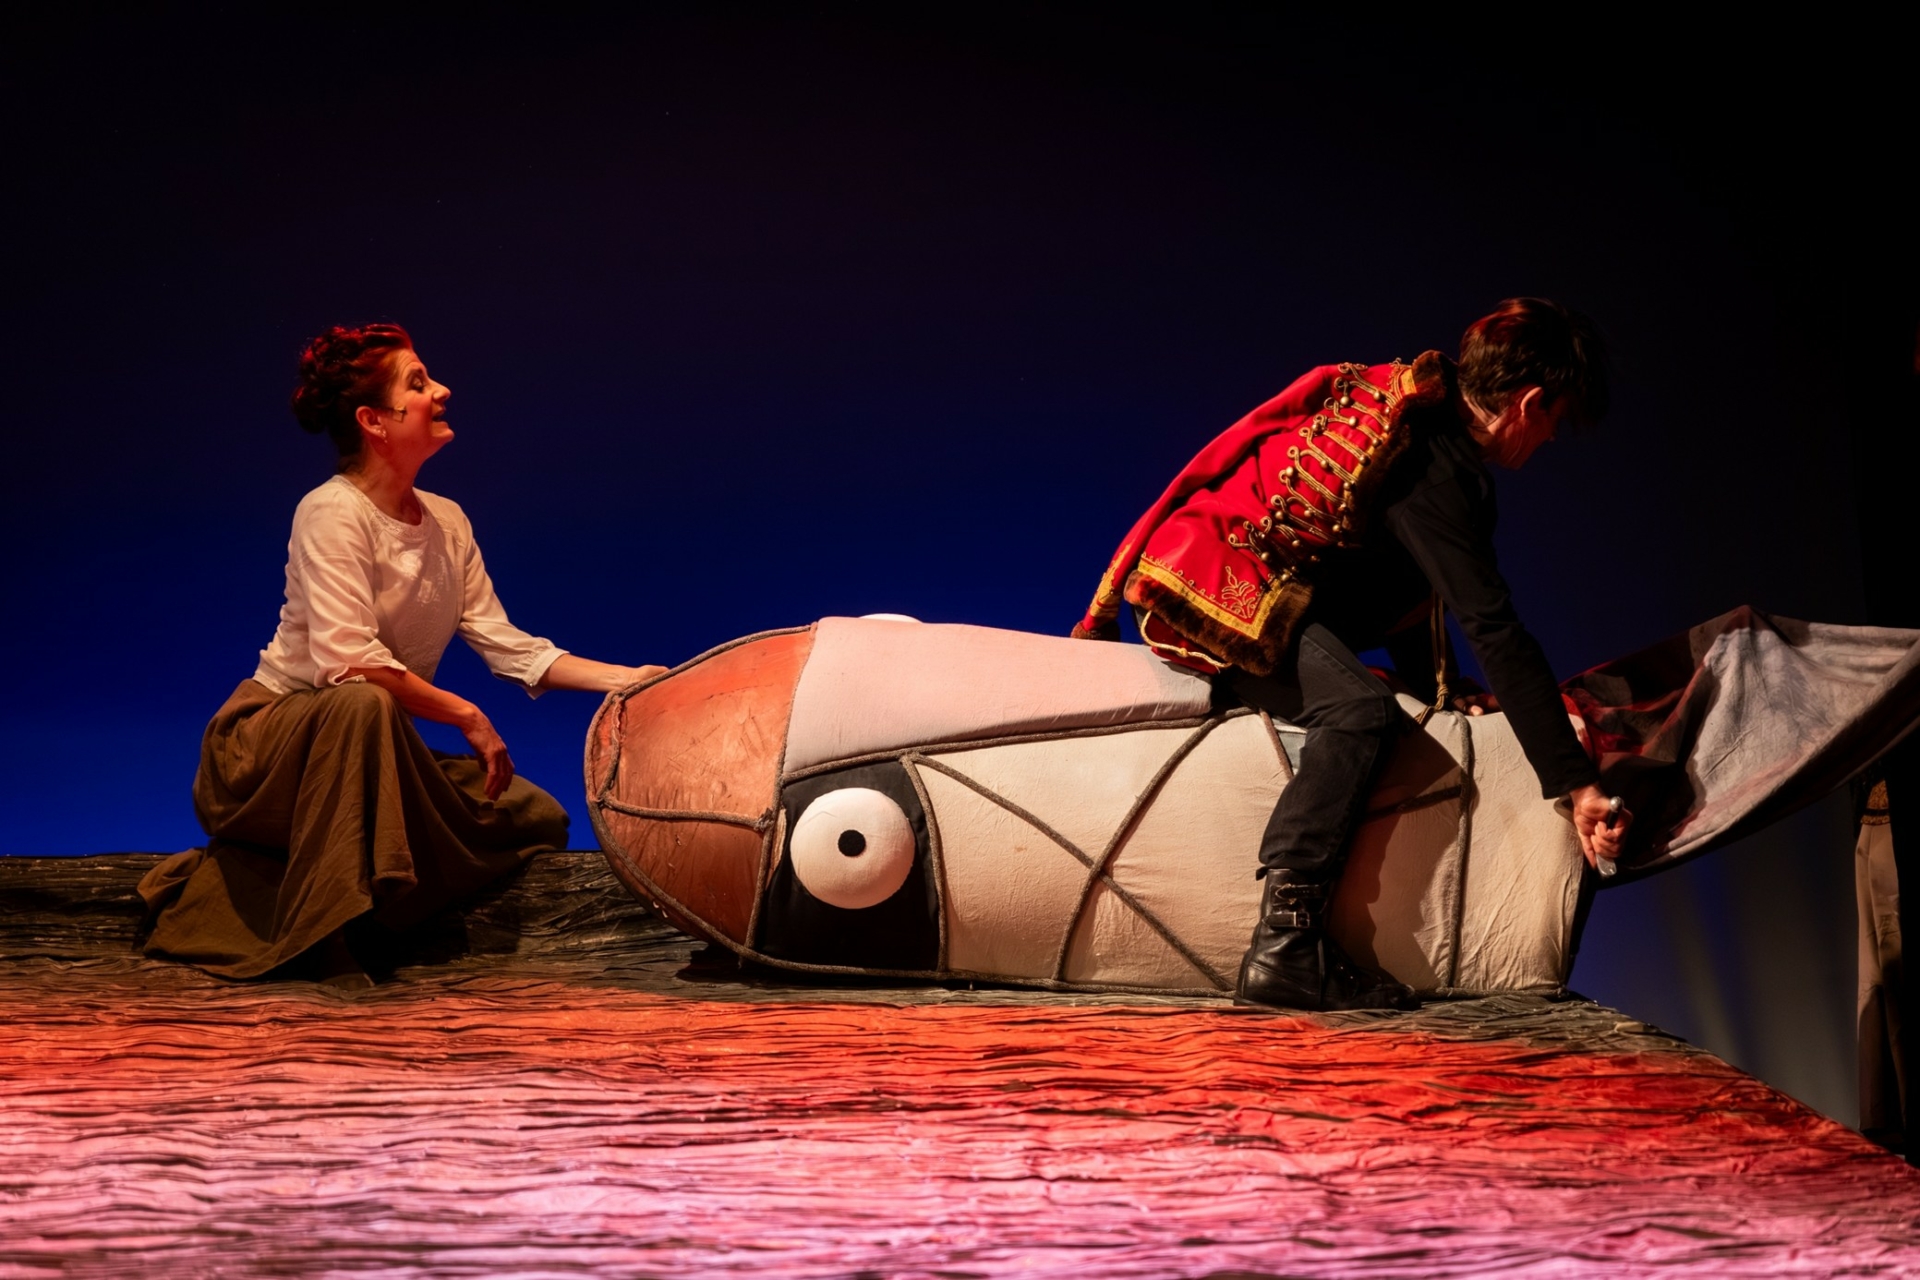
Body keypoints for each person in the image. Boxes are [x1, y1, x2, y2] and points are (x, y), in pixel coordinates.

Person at [1071, 298, 1632, 1011]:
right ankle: (1285, 945)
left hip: (1277, 585)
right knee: (1361, 713)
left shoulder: (1427, 428)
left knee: (1380, 697)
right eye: (1555, 420)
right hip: (1208, 586)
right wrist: (1576, 785)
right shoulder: (1432, 466)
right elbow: (1494, 626)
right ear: (1528, 402)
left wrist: (1444, 685)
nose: (1550, 438)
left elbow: (1403, 584)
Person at [139, 323, 666, 987]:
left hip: (369, 749)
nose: (441, 391)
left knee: (530, 815)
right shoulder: (331, 512)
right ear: (374, 421)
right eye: (417, 384)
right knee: (362, 702)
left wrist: (630, 681)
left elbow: (507, 645)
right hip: (265, 753)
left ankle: (369, 914)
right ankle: (323, 942)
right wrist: (466, 715)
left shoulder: (448, 521)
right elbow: (348, 659)